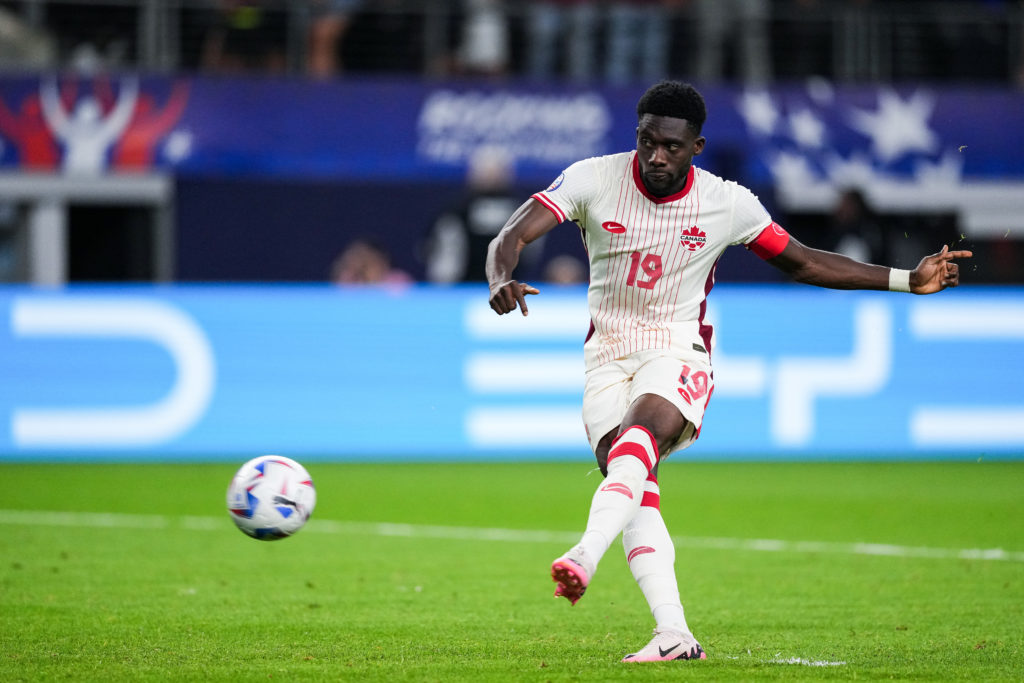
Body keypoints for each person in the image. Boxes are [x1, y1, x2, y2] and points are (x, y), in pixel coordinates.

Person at [485, 80, 971, 663]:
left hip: (678, 349)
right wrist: (499, 276)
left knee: (638, 440)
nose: (656, 156)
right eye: (646, 142)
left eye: (670, 146)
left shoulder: (728, 202)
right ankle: (674, 635)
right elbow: (511, 234)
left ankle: (585, 554)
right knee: (635, 489)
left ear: (697, 146)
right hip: (605, 357)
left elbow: (806, 261)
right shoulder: (592, 178)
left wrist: (906, 280)